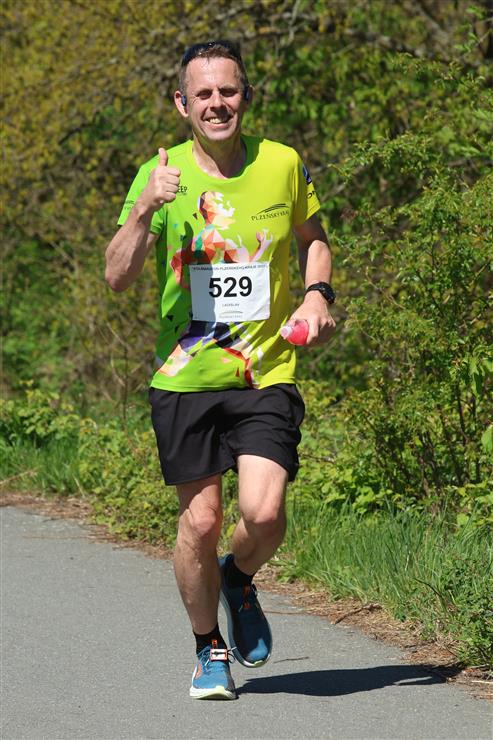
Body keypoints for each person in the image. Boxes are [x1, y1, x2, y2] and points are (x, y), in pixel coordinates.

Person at [105, 39, 336, 700]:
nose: (216, 103)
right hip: (185, 378)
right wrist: (145, 208)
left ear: (245, 96)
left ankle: (237, 576)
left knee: (263, 513)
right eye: (202, 94)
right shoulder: (160, 175)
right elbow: (117, 277)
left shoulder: (281, 163)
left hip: (264, 371)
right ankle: (208, 646)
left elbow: (313, 240)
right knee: (201, 523)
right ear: (182, 104)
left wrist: (317, 296)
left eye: (227, 91)